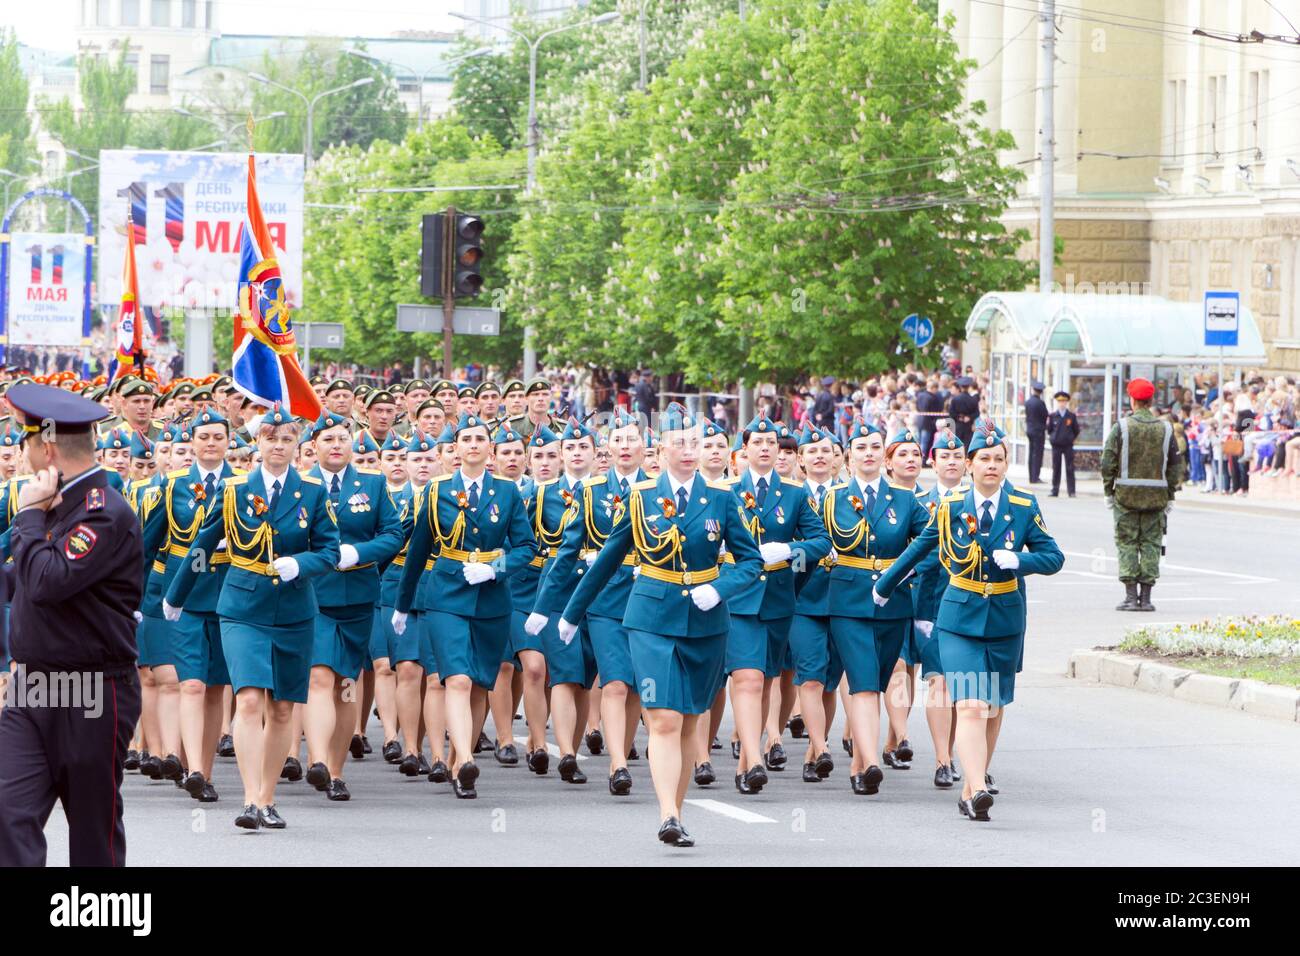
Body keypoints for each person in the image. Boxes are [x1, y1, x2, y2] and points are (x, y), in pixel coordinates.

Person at [557, 403, 763, 846]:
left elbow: (750, 561)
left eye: (696, 444)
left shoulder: (722, 499)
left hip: (707, 620)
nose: (689, 452)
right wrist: (572, 614)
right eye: (681, 444)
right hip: (650, 616)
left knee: (691, 718)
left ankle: (678, 809)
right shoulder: (641, 497)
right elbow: (609, 557)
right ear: (662, 448)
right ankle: (667, 813)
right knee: (665, 718)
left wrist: (722, 588)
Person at [872, 420, 1064, 821]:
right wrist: (885, 586)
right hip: (958, 618)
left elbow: (1054, 557)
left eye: (998, 459)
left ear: (1005, 465)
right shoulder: (950, 505)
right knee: (972, 705)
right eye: (984, 459)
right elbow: (920, 549)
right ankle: (977, 788)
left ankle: (969, 784)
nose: (991, 465)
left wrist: (1022, 561)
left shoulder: (1024, 506)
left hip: (1005, 621)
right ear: (970, 465)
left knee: (992, 707)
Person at [164, 409, 340, 830]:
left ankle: (267, 796)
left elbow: (331, 551)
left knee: (281, 709)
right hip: (242, 607)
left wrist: (301, 564)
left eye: (287, 437)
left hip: (295, 609)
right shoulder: (233, 489)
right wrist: (176, 596)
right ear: (257, 443)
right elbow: (204, 543)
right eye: (270, 437)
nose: (278, 445)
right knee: (247, 699)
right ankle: (248, 800)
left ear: (299, 444)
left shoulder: (313, 492)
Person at [0, 383, 143, 866]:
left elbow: (47, 581)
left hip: (92, 689)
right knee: (7, 807)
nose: (21, 456)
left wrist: (26, 517)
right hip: (34, 686)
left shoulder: (103, 512)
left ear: (48, 448)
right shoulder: (56, 506)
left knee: (91, 827)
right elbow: (20, 579)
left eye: (24, 444)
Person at [391, 413, 538, 799]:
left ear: (489, 449)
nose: (473, 444)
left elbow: (527, 547)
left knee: (478, 685)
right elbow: (419, 549)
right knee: (455, 677)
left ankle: (459, 761)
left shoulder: (507, 492)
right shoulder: (437, 490)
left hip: (492, 599)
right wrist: (402, 605)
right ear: (454, 449)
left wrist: (495, 569)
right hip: (446, 596)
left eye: (479, 439)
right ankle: (468, 759)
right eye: (465, 439)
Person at [531, 411, 647, 795]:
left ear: (645, 446)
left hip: (645, 597)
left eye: (633, 439)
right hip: (599, 597)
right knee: (595, 679)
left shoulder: (657, 488)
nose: (626, 447)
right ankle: (608, 762)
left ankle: (621, 752)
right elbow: (565, 551)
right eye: (620, 440)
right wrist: (542, 606)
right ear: (609, 449)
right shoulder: (592, 490)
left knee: (630, 685)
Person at [822, 419, 931, 796]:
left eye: (874, 447)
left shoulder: (905, 500)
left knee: (881, 679)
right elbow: (815, 543)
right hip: (848, 602)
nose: (867, 453)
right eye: (860, 447)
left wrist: (907, 572)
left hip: (893, 603)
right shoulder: (832, 498)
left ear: (883, 456)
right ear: (849, 456)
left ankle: (858, 763)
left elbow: (932, 544)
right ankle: (869, 762)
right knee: (864, 682)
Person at [723, 414, 830, 793]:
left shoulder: (795, 493)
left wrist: (788, 549)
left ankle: (744, 764)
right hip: (737, 598)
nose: (766, 448)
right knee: (747, 678)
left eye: (772, 443)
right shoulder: (725, 491)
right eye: (758, 443)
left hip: (778, 599)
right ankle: (754, 759)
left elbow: (821, 543)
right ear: (745, 450)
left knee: (767, 680)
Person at [303, 411, 404, 801]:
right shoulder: (302, 485)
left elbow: (393, 535)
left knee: (346, 684)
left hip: (358, 597)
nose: (336, 445)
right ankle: (317, 760)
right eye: (328, 439)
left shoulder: (373, 485)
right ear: (313, 447)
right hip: (313, 597)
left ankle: (337, 768)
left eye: (343, 438)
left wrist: (356, 553)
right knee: (318, 678)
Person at [1101, 378, 1183, 612]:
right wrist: (1170, 495)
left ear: (1132, 400)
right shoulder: (1166, 428)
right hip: (1156, 499)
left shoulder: (1122, 427)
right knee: (1150, 544)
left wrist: (1108, 491)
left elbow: (1108, 461)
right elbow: (1176, 465)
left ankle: (1129, 597)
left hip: (1125, 497)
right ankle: (1145, 598)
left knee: (1127, 543)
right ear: (1150, 401)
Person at [1047, 390, 1080, 497]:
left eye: (1064, 401)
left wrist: (1070, 438)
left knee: (1070, 468)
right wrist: (1053, 438)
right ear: (1057, 402)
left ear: (1067, 403)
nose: (1062, 403)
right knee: (1056, 468)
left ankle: (1071, 491)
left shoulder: (1071, 416)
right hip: (1056, 445)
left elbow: (1076, 430)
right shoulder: (1053, 416)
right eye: (1060, 401)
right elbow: (1049, 429)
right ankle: (1054, 490)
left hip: (1068, 446)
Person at [1024, 381, 1048, 484]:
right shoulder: (1040, 403)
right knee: (1037, 454)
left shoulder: (1028, 402)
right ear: (1041, 392)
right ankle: (1035, 477)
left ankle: (1031, 476)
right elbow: (1045, 415)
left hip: (1030, 429)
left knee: (1031, 453)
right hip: (1038, 431)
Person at [948, 377, 980, 447]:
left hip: (958, 425)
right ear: (969, 387)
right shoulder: (973, 399)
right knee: (967, 445)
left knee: (957, 444)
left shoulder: (955, 399)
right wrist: (969, 417)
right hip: (968, 426)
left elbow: (951, 413)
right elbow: (977, 413)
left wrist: (958, 417)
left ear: (960, 387)